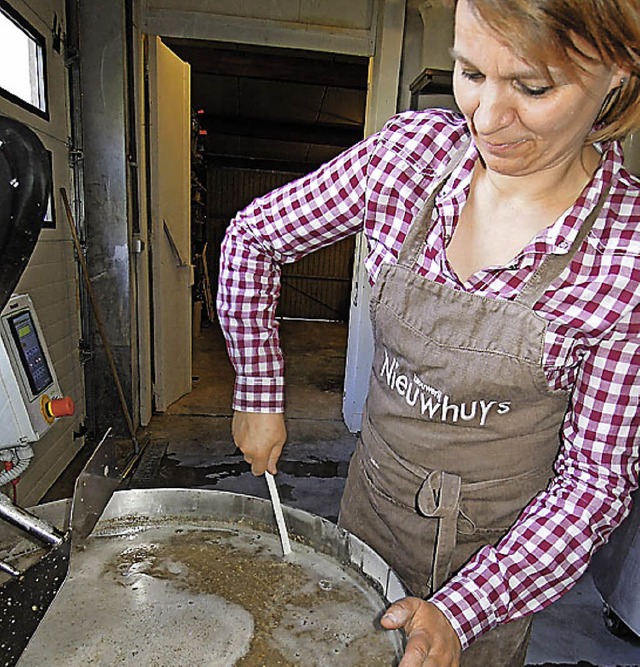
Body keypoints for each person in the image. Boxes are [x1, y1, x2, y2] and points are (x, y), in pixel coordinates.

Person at [216, 0, 640, 664]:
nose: (488, 119)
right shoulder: (408, 157)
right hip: (368, 513)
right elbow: (252, 240)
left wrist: (461, 610)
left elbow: (594, 483)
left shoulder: (628, 254)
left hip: (499, 569)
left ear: (617, 73)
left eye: (533, 87)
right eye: (470, 73)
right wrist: (259, 392)